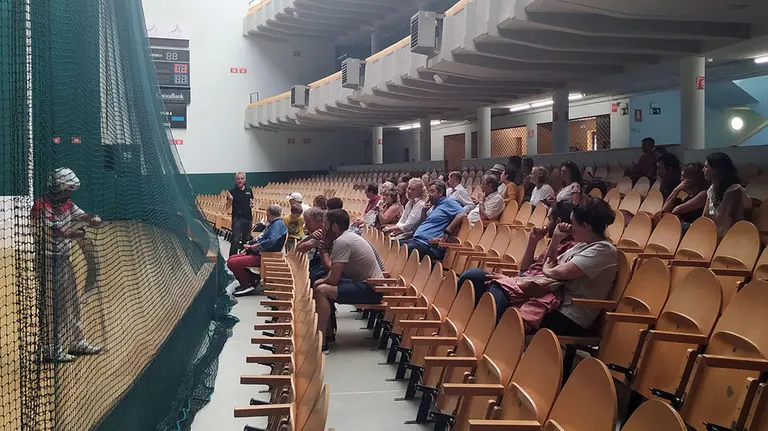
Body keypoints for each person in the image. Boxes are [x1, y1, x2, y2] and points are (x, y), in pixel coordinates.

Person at [458, 200, 576, 324]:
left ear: (557, 222)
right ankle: (463, 321)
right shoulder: (553, 243)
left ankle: (487, 332)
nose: (546, 224)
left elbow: (547, 279)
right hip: (519, 283)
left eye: (549, 219)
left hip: (529, 291)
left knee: (497, 287)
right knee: (470, 275)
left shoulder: (570, 248)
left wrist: (511, 281)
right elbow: (524, 271)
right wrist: (532, 242)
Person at [32, 168, 103, 362]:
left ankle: (76, 341)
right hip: (48, 261)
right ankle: (50, 348)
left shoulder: (67, 204)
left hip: (63, 259)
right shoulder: (41, 206)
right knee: (52, 305)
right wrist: (74, 234)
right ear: (59, 188)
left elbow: (81, 215)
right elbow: (52, 231)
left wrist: (92, 219)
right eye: (67, 190)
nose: (70, 194)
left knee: (71, 301)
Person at [314, 209, 384, 353]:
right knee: (321, 282)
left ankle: (321, 341)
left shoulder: (342, 241)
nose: (323, 228)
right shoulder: (346, 237)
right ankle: (328, 333)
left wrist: (318, 284)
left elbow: (333, 279)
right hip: (364, 285)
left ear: (334, 227)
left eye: (325, 224)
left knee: (321, 290)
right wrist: (324, 252)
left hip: (372, 290)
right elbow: (332, 269)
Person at [228, 204, 288, 297]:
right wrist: (250, 246)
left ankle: (249, 283)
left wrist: (254, 247)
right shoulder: (275, 223)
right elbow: (262, 238)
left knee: (232, 262)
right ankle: (251, 279)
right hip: (260, 253)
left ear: (268, 213)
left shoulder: (277, 225)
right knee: (232, 258)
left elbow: (270, 241)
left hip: (265, 256)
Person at [401, 180, 465, 260]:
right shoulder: (434, 207)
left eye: (432, 191)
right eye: (428, 192)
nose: (429, 195)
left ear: (440, 192)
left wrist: (447, 232)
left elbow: (462, 214)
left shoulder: (448, 202)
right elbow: (427, 224)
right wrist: (424, 212)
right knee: (392, 246)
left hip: (428, 245)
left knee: (400, 251)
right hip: (417, 240)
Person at [703, 152, 745, 238]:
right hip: (713, 230)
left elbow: (728, 221)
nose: (703, 170)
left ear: (716, 169)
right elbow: (705, 215)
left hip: (731, 234)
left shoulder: (734, 190)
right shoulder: (711, 189)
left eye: (706, 167)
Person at [227, 172, 254, 256]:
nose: (240, 180)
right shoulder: (231, 191)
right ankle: (232, 258)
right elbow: (227, 206)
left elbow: (252, 201)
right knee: (235, 239)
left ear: (245, 180)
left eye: (242, 179)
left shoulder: (249, 190)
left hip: (248, 218)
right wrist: (230, 199)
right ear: (236, 180)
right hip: (237, 218)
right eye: (238, 179)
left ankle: (243, 258)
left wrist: (252, 204)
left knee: (246, 240)